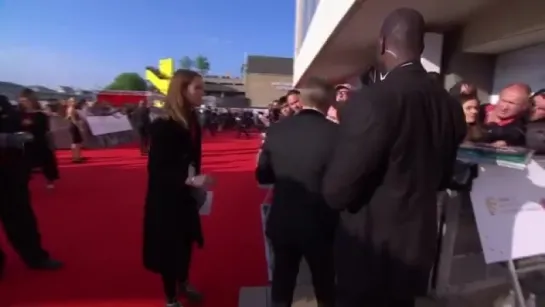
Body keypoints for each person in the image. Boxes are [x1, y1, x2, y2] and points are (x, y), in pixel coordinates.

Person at [322, 8, 466, 307]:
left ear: (382, 43)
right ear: (422, 47)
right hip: (416, 245)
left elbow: (337, 191)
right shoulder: (450, 105)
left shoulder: (374, 99)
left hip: (370, 250)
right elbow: (441, 177)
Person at [256, 78, 338, 307]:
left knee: (282, 282)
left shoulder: (277, 130)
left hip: (284, 219)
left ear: (300, 101)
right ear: (329, 102)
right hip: (322, 223)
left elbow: (263, 176)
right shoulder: (337, 134)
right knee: (325, 284)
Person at [143, 69, 214, 307]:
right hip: (166, 199)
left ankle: (183, 281)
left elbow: (192, 159)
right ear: (182, 90)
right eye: (198, 88)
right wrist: (189, 180)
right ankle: (171, 298)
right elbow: (157, 170)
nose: (203, 93)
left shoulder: (192, 121)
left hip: (186, 196)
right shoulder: (164, 126)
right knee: (169, 248)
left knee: (186, 241)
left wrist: (195, 181)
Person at [0, 95, 63, 278]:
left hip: (10, 172)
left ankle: (35, 257)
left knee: (21, 218)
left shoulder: (4, 102)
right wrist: (5, 139)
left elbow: (19, 125)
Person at [18, 88, 60, 188]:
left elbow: (44, 128)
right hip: (23, 142)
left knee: (46, 160)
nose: (24, 103)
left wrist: (32, 124)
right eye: (22, 101)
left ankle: (50, 179)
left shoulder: (40, 115)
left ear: (32, 100)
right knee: (22, 162)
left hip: (39, 141)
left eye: (26, 101)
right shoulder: (19, 114)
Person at [65, 98, 85, 163]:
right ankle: (77, 157)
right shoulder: (72, 109)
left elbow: (67, 118)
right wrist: (79, 127)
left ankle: (75, 156)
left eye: (74, 101)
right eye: (72, 101)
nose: (74, 102)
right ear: (70, 102)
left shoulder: (68, 108)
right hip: (74, 126)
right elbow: (74, 120)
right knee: (77, 142)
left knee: (74, 142)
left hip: (71, 126)